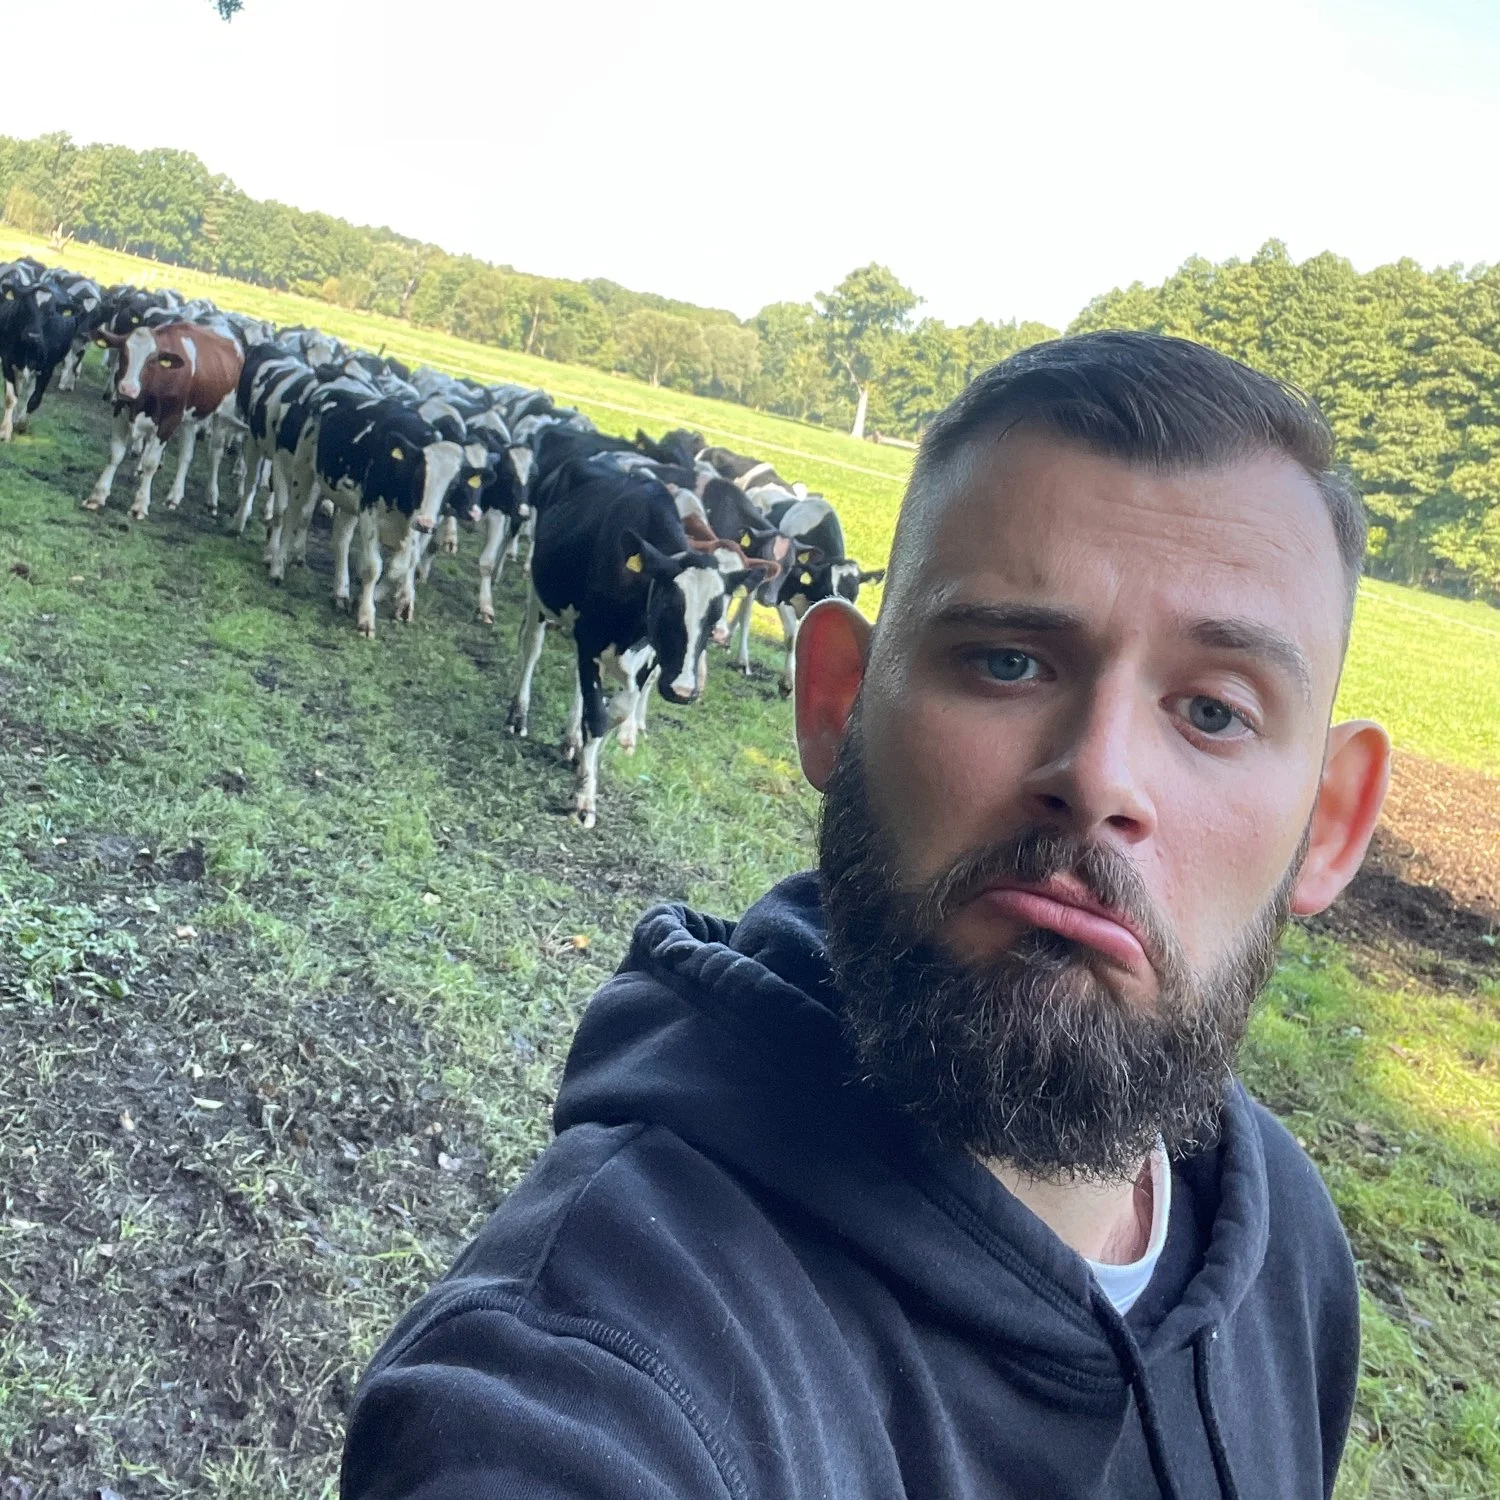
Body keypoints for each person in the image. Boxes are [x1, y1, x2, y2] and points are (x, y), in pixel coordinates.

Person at [340, 332, 1390, 1500]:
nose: (1099, 777)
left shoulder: (1287, 1247)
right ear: (836, 704)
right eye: (1006, 662)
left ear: (1329, 825)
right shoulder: (598, 1365)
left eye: (1215, 711)